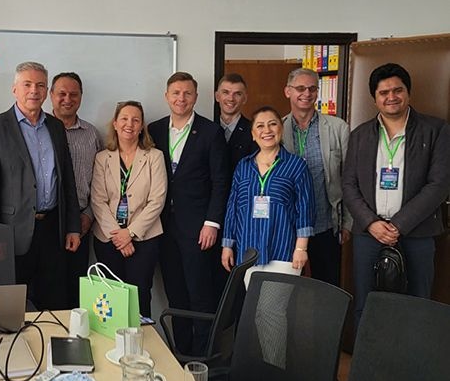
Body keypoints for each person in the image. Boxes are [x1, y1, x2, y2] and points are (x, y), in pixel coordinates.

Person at [343, 63, 450, 324]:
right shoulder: (359, 135)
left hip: (417, 233)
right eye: (383, 92)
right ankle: (368, 353)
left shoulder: (436, 130)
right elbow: (349, 185)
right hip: (369, 235)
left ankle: (413, 353)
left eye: (397, 90)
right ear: (375, 98)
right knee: (367, 306)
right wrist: (371, 223)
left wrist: (399, 225)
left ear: (408, 93)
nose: (391, 97)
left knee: (417, 306)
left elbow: (439, 184)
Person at [0, 61, 81, 310]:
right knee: (10, 307)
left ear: (46, 91)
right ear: (15, 89)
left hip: (52, 230)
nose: (34, 90)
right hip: (12, 233)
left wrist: (73, 227)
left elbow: (67, 180)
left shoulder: (55, 127)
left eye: (40, 85)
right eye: (27, 84)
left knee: (54, 304)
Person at [148, 71, 229, 355]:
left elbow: (220, 181)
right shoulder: (155, 130)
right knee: (176, 295)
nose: (181, 98)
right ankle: (181, 354)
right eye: (176, 93)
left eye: (187, 93)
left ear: (195, 97)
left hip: (198, 228)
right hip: (162, 227)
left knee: (200, 295)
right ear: (166, 96)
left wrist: (212, 223)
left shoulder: (210, 132)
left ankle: (202, 356)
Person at [90, 101, 167, 317]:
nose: (129, 124)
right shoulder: (102, 158)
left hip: (144, 238)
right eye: (124, 118)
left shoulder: (154, 157)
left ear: (142, 126)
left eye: (135, 120)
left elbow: (157, 200)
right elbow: (98, 200)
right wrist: (119, 236)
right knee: (111, 298)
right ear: (115, 124)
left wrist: (130, 233)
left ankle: (141, 338)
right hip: (108, 239)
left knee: (139, 296)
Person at [222, 106, 315, 279]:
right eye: (260, 126)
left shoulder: (296, 166)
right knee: (253, 297)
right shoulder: (243, 167)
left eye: (272, 124)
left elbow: (305, 209)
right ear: (253, 134)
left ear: (281, 128)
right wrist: (227, 245)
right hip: (248, 251)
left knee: (276, 298)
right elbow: (232, 209)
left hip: (283, 252)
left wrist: (301, 248)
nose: (267, 130)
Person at [282, 68, 351, 287]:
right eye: (300, 88)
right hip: (288, 226)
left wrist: (347, 222)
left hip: (325, 224)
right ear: (288, 91)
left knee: (327, 288)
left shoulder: (338, 128)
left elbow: (349, 178)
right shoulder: (276, 129)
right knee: (287, 288)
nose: (307, 93)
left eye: (312, 88)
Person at [50, 72, 103, 307]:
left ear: (81, 96)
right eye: (61, 94)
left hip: (81, 222)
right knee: (47, 290)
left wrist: (89, 215)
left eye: (74, 94)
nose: (67, 99)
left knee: (76, 290)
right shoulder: (39, 131)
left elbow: (102, 182)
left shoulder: (92, 135)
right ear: (51, 95)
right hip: (47, 221)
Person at [215, 73, 257, 172]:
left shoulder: (254, 131)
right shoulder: (206, 130)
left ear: (244, 99)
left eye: (237, 94)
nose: (231, 99)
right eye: (226, 92)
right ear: (217, 96)